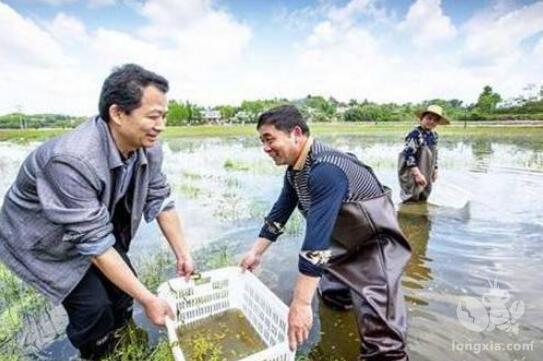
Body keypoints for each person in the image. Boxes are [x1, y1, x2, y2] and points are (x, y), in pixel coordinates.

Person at [0, 64, 194, 360]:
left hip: (91, 225)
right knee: (93, 308)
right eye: (153, 116)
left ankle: (125, 338)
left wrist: (183, 253)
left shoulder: (149, 147)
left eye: (164, 116)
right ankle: (97, 352)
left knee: (123, 291)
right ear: (117, 114)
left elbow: (161, 198)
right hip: (46, 240)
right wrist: (149, 300)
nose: (161, 125)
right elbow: (94, 244)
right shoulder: (71, 159)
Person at [240, 105, 412, 361]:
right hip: (340, 246)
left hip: (374, 249)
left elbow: (316, 245)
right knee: (332, 300)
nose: (265, 147)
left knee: (384, 345)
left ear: (295, 133)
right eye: (262, 141)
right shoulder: (295, 172)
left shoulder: (326, 170)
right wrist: (255, 252)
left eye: (269, 139)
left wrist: (299, 305)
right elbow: (279, 213)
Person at [398, 104, 450, 202]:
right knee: (411, 198)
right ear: (422, 118)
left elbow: (435, 154)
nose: (431, 122)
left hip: (427, 171)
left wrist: (435, 170)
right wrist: (417, 174)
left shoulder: (434, 135)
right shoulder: (415, 134)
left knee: (424, 196)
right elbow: (408, 155)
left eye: (435, 120)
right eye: (429, 118)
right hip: (413, 171)